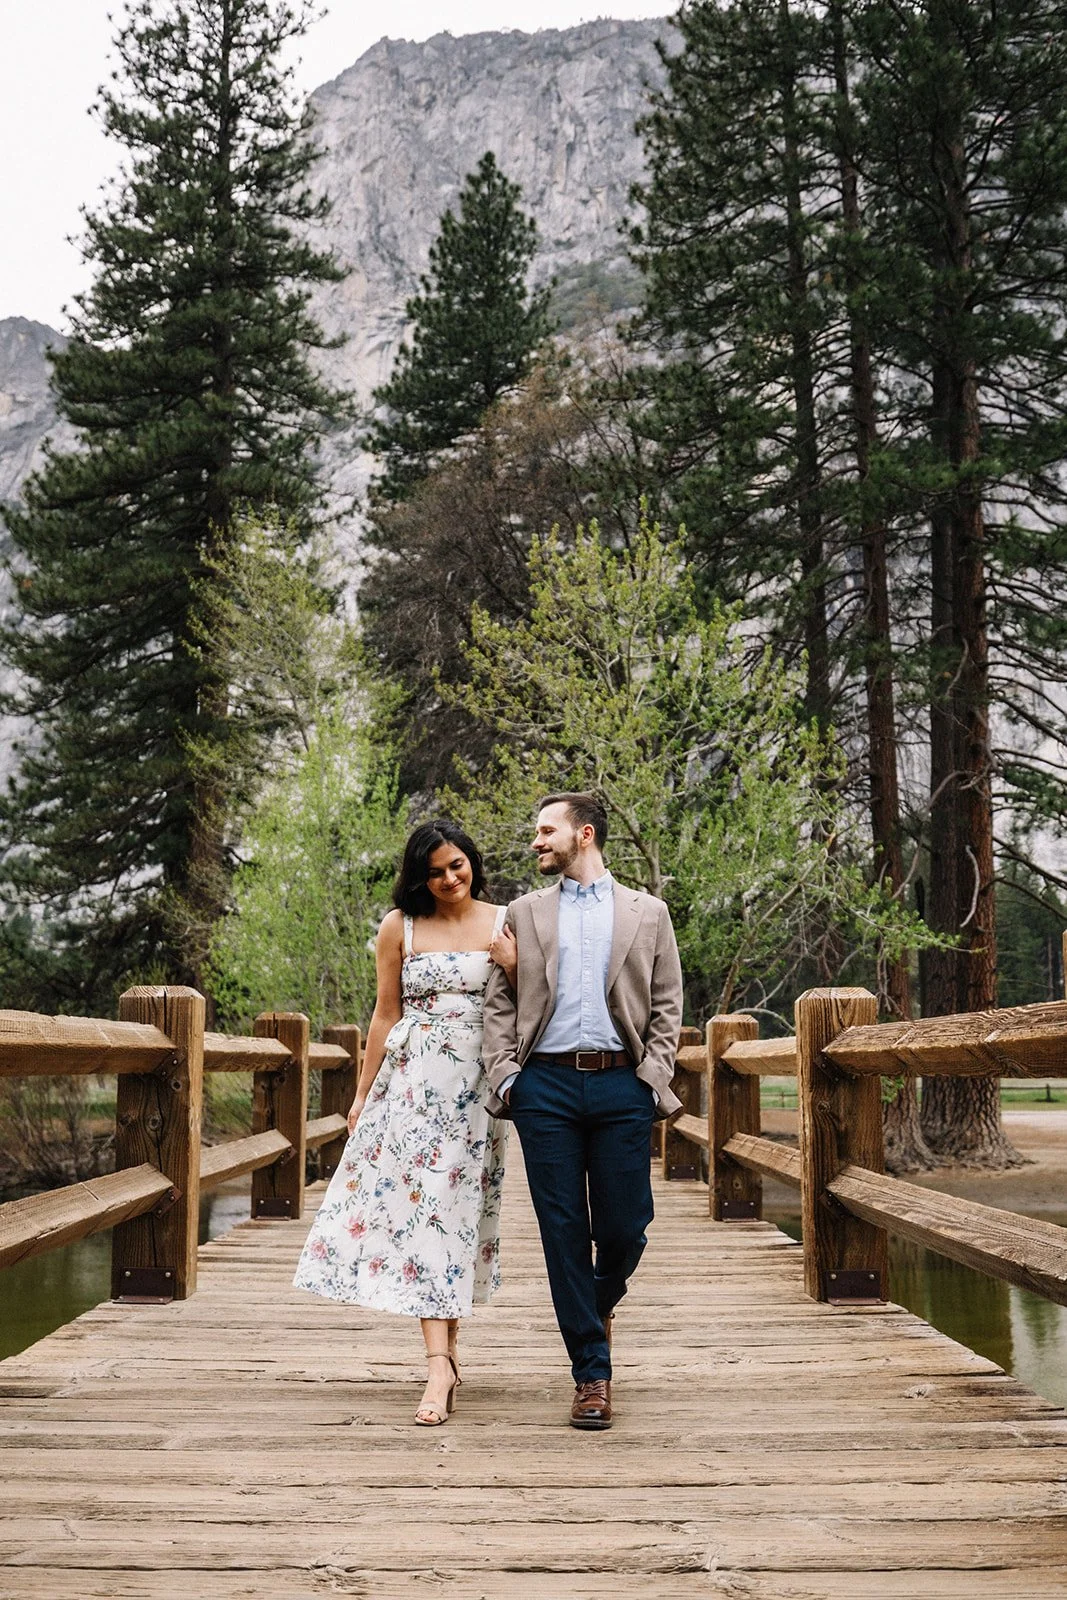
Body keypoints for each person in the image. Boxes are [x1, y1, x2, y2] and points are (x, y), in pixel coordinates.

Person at [294, 820, 512, 1426]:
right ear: (420, 877)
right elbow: (385, 1013)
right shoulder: (400, 927)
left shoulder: (505, 921)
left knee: (457, 1215)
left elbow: (528, 1004)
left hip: (477, 1090)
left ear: (473, 862)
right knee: (427, 1214)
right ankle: (437, 1364)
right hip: (412, 1089)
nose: (449, 879)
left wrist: (515, 964)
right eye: (436, 871)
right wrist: (363, 1094)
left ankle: (448, 1353)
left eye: (458, 865)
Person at [482, 792, 683, 1431]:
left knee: (626, 1227)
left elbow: (669, 1002)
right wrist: (508, 1078)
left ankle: (594, 1308)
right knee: (563, 1232)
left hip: (622, 1085)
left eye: (547, 831)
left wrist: (653, 1077)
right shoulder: (524, 911)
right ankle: (591, 1373)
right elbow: (498, 1004)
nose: (536, 841)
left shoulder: (648, 914)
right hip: (545, 1088)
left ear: (584, 834)